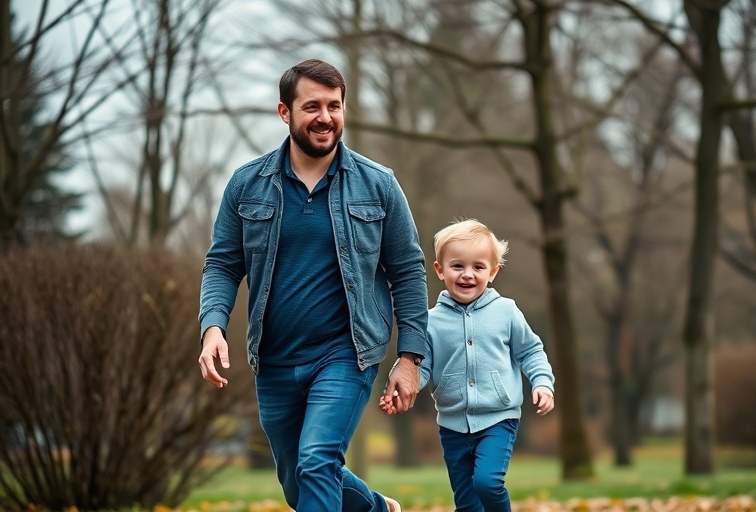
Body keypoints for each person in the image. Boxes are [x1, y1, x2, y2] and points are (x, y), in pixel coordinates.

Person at [197, 58, 428, 512]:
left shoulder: (378, 184)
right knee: (296, 479)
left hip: (347, 352)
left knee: (318, 461)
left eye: (335, 106)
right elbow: (222, 265)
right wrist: (212, 328)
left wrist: (410, 358)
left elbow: (408, 270)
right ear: (285, 113)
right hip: (276, 357)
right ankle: (379, 509)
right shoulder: (247, 185)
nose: (326, 117)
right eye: (312, 106)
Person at [380, 219, 555, 512]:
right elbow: (422, 367)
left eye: (478, 267)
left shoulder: (506, 312)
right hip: (452, 424)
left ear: (493, 271)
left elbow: (531, 351)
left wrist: (542, 384)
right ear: (440, 270)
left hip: (498, 418)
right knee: (466, 501)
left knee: (487, 483)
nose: (467, 275)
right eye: (458, 266)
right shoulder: (431, 321)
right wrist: (403, 390)